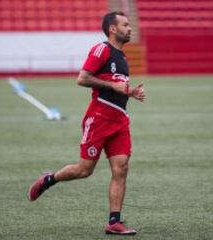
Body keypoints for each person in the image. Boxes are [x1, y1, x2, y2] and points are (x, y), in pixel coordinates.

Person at [28, 11, 145, 236]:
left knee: (121, 169)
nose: (130, 28)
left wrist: (129, 93)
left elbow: (115, 85)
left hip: (120, 120)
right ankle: (48, 180)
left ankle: (114, 222)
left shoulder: (122, 56)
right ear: (113, 29)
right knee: (84, 170)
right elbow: (82, 78)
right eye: (125, 25)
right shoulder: (101, 50)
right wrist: (114, 87)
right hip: (99, 119)